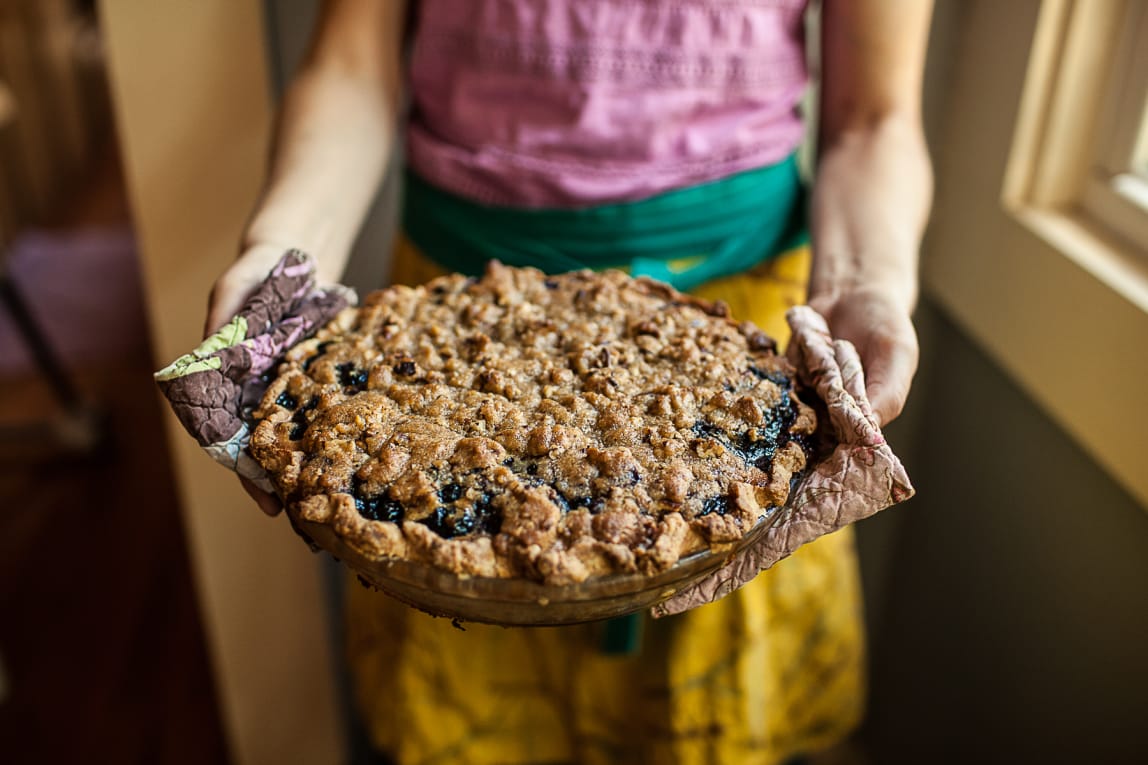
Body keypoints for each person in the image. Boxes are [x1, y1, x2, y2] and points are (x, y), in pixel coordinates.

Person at [206, 1, 933, 762]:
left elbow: (872, 118)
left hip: (743, 342)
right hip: (442, 338)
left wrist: (864, 282)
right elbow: (351, 67)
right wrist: (281, 249)